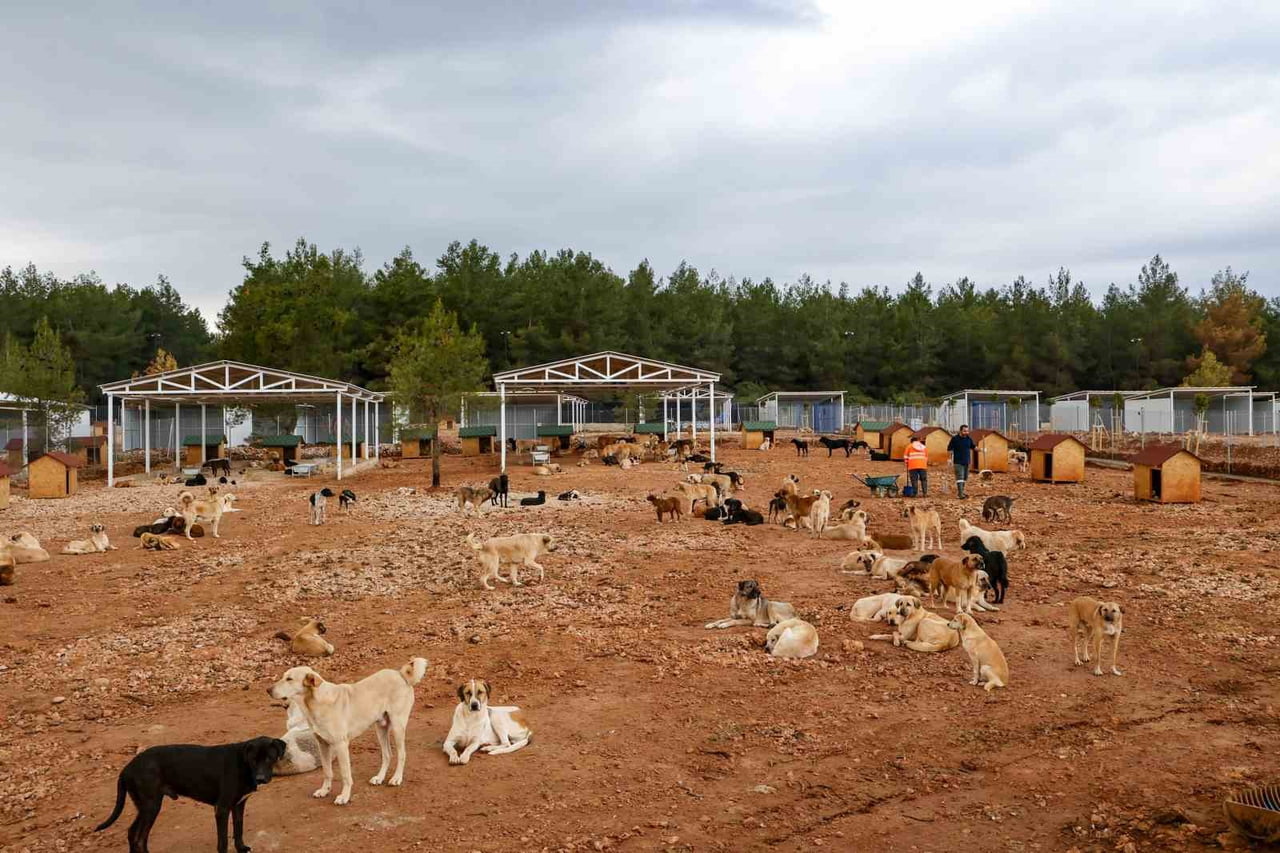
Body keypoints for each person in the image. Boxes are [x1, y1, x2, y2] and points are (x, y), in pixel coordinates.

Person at [947, 424, 977, 499]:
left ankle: (961, 492)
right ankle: (960, 494)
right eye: (964, 431)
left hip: (966, 461)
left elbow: (973, 447)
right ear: (960, 431)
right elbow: (950, 449)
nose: (966, 432)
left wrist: (981, 450)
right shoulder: (955, 439)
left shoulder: (968, 439)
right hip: (958, 462)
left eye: (967, 431)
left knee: (965, 478)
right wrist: (950, 459)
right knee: (960, 477)